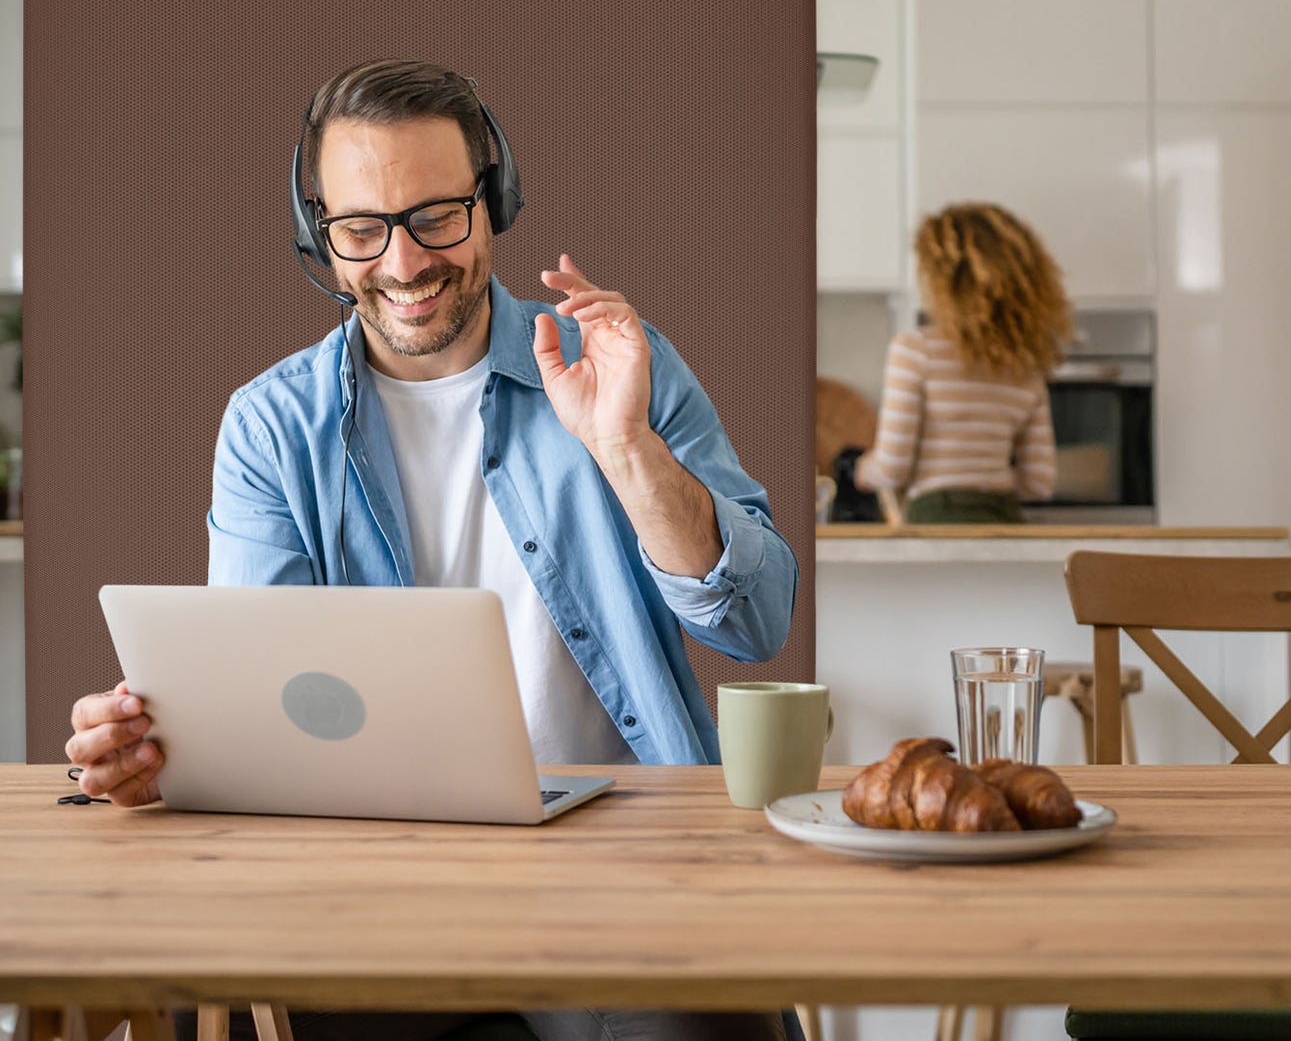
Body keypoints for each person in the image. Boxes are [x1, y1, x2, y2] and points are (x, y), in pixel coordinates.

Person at [64, 60, 800, 1041]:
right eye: (361, 228)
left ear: (493, 204)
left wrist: (626, 449)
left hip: (628, 872)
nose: (404, 262)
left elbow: (756, 622)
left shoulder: (619, 361)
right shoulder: (270, 425)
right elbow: (251, 705)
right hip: (372, 892)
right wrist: (153, 747)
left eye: (437, 216)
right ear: (319, 237)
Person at [852, 201, 1069, 525]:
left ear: (944, 280)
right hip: (1006, 522)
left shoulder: (915, 350)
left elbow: (893, 467)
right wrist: (985, 478)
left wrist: (863, 469)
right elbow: (1039, 483)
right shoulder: (1025, 366)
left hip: (936, 523)